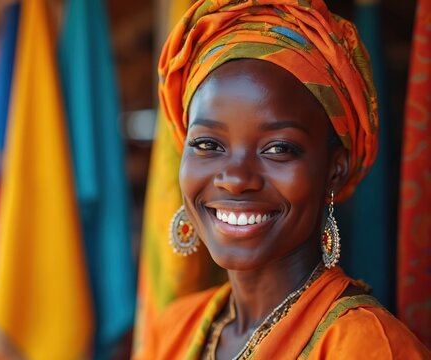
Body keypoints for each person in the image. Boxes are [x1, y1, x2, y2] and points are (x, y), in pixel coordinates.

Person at [134, 0, 430, 358]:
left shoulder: (367, 347)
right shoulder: (173, 330)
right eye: (208, 144)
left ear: (334, 168)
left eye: (278, 149)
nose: (235, 179)